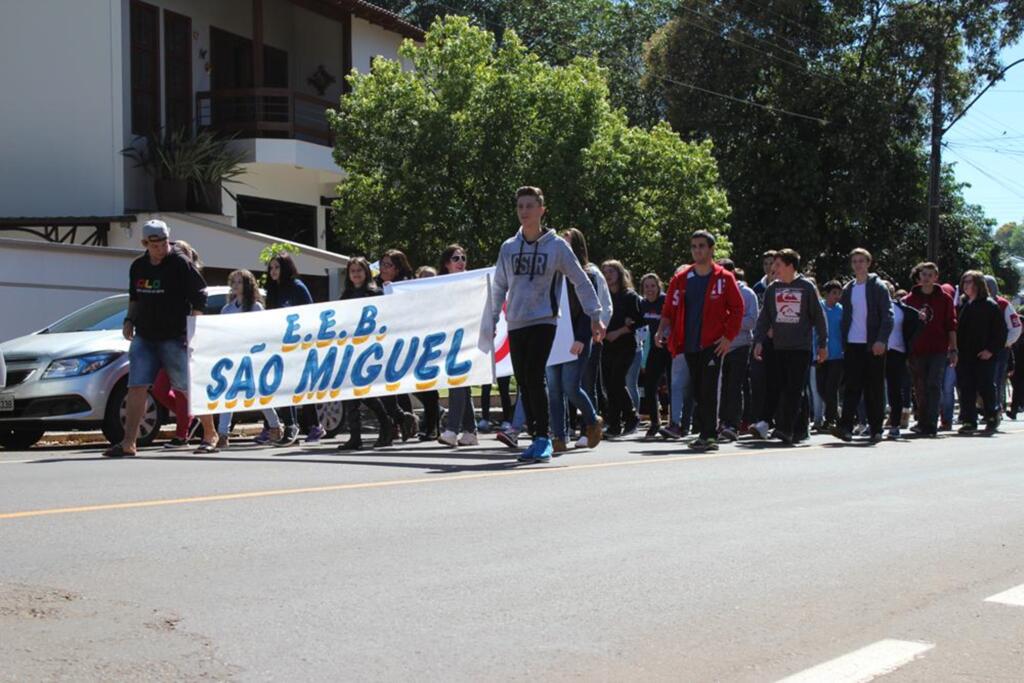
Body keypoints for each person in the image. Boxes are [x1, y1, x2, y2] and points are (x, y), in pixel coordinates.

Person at [490, 186, 604, 463]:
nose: (524, 212)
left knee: (534, 375)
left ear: (542, 210)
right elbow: (499, 286)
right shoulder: (508, 247)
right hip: (516, 321)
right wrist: (492, 319)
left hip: (544, 320)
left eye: (530, 206)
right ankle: (537, 437)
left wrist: (595, 314)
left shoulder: (556, 246)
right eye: (520, 206)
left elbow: (580, 279)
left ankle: (545, 440)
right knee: (524, 382)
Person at [104, 219, 209, 458]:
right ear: (145, 243)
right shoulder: (138, 266)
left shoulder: (180, 263)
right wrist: (129, 320)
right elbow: (135, 298)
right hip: (145, 336)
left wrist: (193, 327)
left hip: (174, 336)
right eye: (155, 245)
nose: (162, 248)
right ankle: (129, 442)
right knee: (136, 386)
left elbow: (200, 294)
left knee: (187, 386)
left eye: (164, 243)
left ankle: (210, 433)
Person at [655, 230, 744, 452]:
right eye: (694, 246)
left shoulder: (724, 278)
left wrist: (727, 338)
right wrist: (661, 331)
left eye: (702, 246)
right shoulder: (681, 279)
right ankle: (703, 433)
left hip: (712, 344)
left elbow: (737, 308)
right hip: (688, 344)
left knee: (709, 389)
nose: (697, 250)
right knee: (696, 390)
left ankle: (709, 435)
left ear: (711, 249)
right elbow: (669, 309)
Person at [752, 249, 827, 444]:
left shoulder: (806, 287)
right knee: (775, 387)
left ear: (790, 266)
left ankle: (786, 429)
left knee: (794, 389)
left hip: (800, 348)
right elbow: (764, 318)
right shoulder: (772, 289)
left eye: (778, 265)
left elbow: (819, 318)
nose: (773, 269)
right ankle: (766, 423)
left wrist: (822, 344)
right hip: (778, 347)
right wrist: (759, 341)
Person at [149, 240, 215, 451]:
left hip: (188, 343)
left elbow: (199, 304)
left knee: (184, 390)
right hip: (169, 341)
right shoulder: (170, 282)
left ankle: (189, 433)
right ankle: (189, 419)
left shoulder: (192, 282)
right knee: (160, 389)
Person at [545, 228, 605, 453]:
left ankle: (592, 420)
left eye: (568, 244)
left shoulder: (585, 276)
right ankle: (559, 437)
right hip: (553, 341)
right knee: (553, 390)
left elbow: (589, 310)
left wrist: (582, 337)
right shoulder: (549, 275)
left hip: (575, 340)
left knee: (571, 386)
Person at [215, 269, 282, 449]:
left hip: (252, 357)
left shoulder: (255, 307)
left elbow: (261, 332)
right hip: (232, 357)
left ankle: (275, 426)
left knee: (258, 392)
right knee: (227, 395)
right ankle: (222, 434)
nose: (235, 285)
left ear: (248, 285)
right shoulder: (227, 309)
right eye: (233, 282)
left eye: (239, 282)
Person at [833, 248, 893, 444]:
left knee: (873, 389)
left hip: (872, 345)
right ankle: (845, 428)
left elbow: (888, 316)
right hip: (853, 344)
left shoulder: (878, 287)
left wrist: (881, 340)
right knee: (851, 387)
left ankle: (876, 429)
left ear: (868, 263)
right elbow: (845, 319)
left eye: (861, 261)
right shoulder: (848, 288)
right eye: (855, 261)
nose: (858, 264)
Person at [264, 252, 324, 447]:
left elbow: (310, 313)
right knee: (283, 385)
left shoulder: (297, 287)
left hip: (300, 346)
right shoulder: (272, 289)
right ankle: (292, 425)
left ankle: (311, 425)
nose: (273, 271)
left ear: (286, 268)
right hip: (280, 346)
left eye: (277, 267)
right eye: (271, 268)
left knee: (301, 385)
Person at [337, 257, 394, 450]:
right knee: (351, 394)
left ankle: (386, 424)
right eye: (352, 270)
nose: (355, 274)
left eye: (359, 270)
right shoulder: (346, 295)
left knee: (366, 392)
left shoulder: (374, 293)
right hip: (352, 349)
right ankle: (355, 436)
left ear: (366, 272)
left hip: (370, 350)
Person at [902, 262, 957, 437]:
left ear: (936, 277)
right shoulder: (909, 300)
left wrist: (953, 349)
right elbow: (904, 327)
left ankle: (931, 423)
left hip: (938, 349)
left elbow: (951, 325)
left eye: (930, 275)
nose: (926, 278)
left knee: (934, 384)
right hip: (916, 350)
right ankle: (923, 420)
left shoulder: (945, 299)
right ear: (919, 277)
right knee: (919, 386)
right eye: (923, 275)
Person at [438, 244, 481, 447]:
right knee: (462, 385)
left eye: (463, 257)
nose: (461, 261)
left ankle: (452, 430)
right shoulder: (440, 285)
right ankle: (470, 431)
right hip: (449, 339)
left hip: (467, 338)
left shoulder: (473, 282)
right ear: (446, 264)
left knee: (458, 382)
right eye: (456, 258)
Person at [956, 271, 1007, 434]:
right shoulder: (963, 304)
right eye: (964, 282)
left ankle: (992, 416)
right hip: (965, 354)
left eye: (969, 282)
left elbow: (1000, 332)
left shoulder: (990, 305)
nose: (966, 286)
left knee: (986, 386)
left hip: (984, 354)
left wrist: (990, 350)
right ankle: (969, 420)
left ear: (978, 284)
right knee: (966, 387)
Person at [377, 249, 420, 441]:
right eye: (382, 264)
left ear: (398, 267)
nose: (384, 268)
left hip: (402, 341)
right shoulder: (376, 286)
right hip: (382, 342)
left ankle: (407, 423)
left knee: (400, 386)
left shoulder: (407, 286)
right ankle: (400, 422)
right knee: (389, 386)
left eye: (388, 265)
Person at [600, 260, 643, 437]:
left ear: (619, 273)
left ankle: (632, 416)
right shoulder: (603, 297)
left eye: (611, 271)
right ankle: (615, 425)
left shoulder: (630, 296)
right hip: (606, 346)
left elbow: (639, 320)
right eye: (605, 272)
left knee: (618, 381)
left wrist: (619, 332)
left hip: (625, 345)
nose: (607, 275)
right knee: (609, 386)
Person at [716, 260, 758, 442]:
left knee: (734, 386)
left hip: (740, 346)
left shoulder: (747, 294)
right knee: (721, 387)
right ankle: (721, 422)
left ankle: (733, 424)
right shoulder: (715, 293)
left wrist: (730, 324)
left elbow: (751, 321)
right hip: (719, 347)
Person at [884, 282, 921, 439]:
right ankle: (869, 423)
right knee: (872, 387)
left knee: (894, 389)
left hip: (897, 352)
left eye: (887, 291)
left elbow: (918, 320)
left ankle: (895, 424)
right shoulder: (870, 309)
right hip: (876, 351)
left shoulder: (901, 309)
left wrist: (909, 344)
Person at [983, 275, 1022, 417]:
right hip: (979, 349)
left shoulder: (1003, 304)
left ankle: (995, 410)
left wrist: (1004, 343)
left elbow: (1016, 327)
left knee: (995, 381)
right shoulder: (972, 302)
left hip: (999, 351)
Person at [639, 273, 671, 439]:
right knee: (650, 385)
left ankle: (676, 422)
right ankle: (655, 422)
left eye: (653, 286)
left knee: (674, 385)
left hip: (671, 347)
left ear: (659, 286)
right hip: (655, 348)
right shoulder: (642, 304)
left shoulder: (666, 300)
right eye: (646, 286)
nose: (650, 289)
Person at [411, 265, 441, 440]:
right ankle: (433, 422)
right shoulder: (413, 297)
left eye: (432, 277)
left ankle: (432, 429)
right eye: (424, 277)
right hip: (417, 348)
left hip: (435, 348)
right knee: (417, 387)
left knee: (431, 392)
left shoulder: (440, 298)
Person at [815, 281, 844, 431]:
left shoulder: (842, 310)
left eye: (839, 293)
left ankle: (830, 418)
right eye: (834, 293)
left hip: (838, 355)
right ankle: (835, 413)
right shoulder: (819, 308)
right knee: (821, 388)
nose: (837, 296)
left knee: (831, 388)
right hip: (821, 354)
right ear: (826, 293)